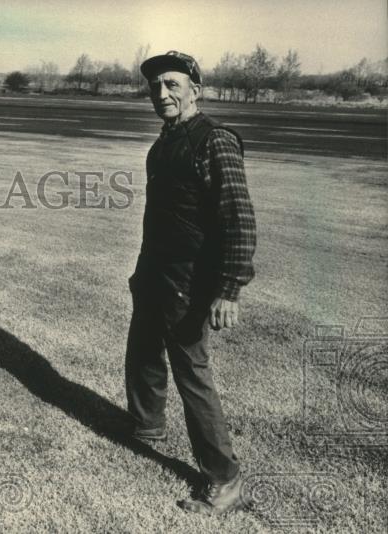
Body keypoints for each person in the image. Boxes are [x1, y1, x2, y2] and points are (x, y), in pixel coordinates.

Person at [126, 50, 257, 515]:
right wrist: (142, 273)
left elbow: (238, 218)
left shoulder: (214, 140)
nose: (162, 94)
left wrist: (230, 288)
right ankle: (145, 429)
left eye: (172, 85)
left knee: (192, 373)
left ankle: (225, 479)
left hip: (189, 279)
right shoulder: (163, 143)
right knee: (142, 351)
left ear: (195, 90)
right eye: (155, 87)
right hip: (154, 272)